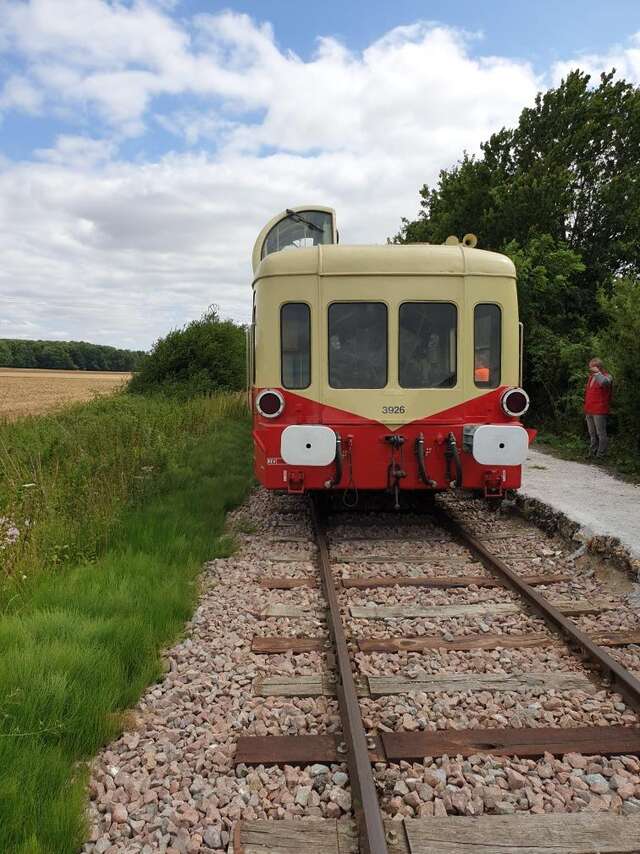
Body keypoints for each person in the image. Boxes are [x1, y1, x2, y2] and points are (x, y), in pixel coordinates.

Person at [584, 358, 613, 459]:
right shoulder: (591, 377)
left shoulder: (607, 377)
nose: (590, 369)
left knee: (601, 433)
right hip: (589, 409)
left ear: (598, 367)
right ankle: (592, 452)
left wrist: (597, 373)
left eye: (592, 367)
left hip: (600, 410)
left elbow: (604, 383)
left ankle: (601, 455)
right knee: (592, 433)